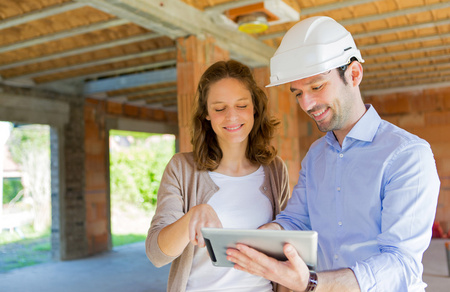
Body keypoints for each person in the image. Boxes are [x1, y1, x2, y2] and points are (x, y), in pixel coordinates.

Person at [226, 16, 440, 291]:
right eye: (298, 93)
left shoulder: (408, 155)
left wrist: (314, 282)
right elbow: (296, 221)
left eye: (316, 87)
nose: (307, 103)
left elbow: (401, 263)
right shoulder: (315, 156)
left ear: (354, 74)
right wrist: (255, 242)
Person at [145, 60, 291, 292]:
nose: (232, 117)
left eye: (241, 105)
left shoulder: (275, 169)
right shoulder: (181, 168)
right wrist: (193, 216)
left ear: (255, 107)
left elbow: (285, 251)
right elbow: (157, 255)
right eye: (220, 108)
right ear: (206, 115)